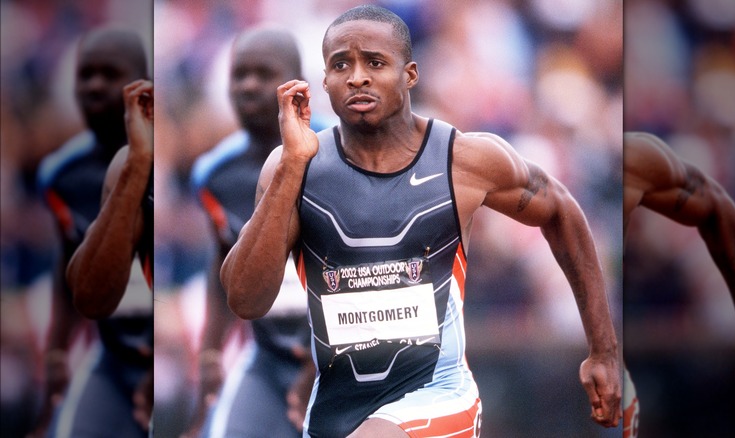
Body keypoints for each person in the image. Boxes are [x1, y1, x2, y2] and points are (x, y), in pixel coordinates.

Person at [221, 5, 621, 437]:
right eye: (341, 65)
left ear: (409, 75)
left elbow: (562, 211)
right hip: (334, 414)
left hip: (439, 397)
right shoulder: (293, 169)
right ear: (324, 83)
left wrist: (603, 349)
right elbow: (245, 300)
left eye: (374, 62)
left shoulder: (463, 161)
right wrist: (291, 168)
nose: (357, 76)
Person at [187, 26, 322, 437]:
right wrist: (210, 354)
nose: (248, 86)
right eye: (239, 74)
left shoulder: (339, 153)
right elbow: (223, 262)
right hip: (268, 356)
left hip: (348, 359)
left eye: (264, 74)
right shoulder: (213, 173)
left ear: (297, 81)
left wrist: (323, 365)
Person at [35, 28, 153, 437]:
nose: (96, 85)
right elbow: (67, 263)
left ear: (143, 81)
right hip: (114, 357)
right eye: (86, 75)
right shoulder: (60, 175)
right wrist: (56, 353)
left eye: (110, 73)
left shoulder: (162, 164)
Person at [622, 131, 735, 437]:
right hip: (654, 365)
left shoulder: (717, 234)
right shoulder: (651, 242)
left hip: (710, 370)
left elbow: (718, 210)